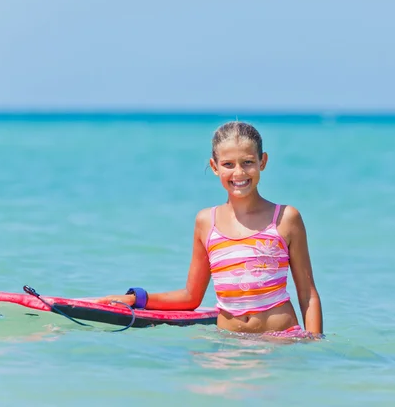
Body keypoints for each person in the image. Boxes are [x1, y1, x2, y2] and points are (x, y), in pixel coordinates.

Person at [95, 121, 323, 338]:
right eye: (228, 164)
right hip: (229, 342)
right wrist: (137, 299)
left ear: (262, 162)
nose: (239, 173)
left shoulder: (285, 218)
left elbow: (307, 294)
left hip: (281, 340)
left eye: (248, 162)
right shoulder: (206, 222)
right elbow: (191, 297)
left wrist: (314, 343)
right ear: (214, 166)